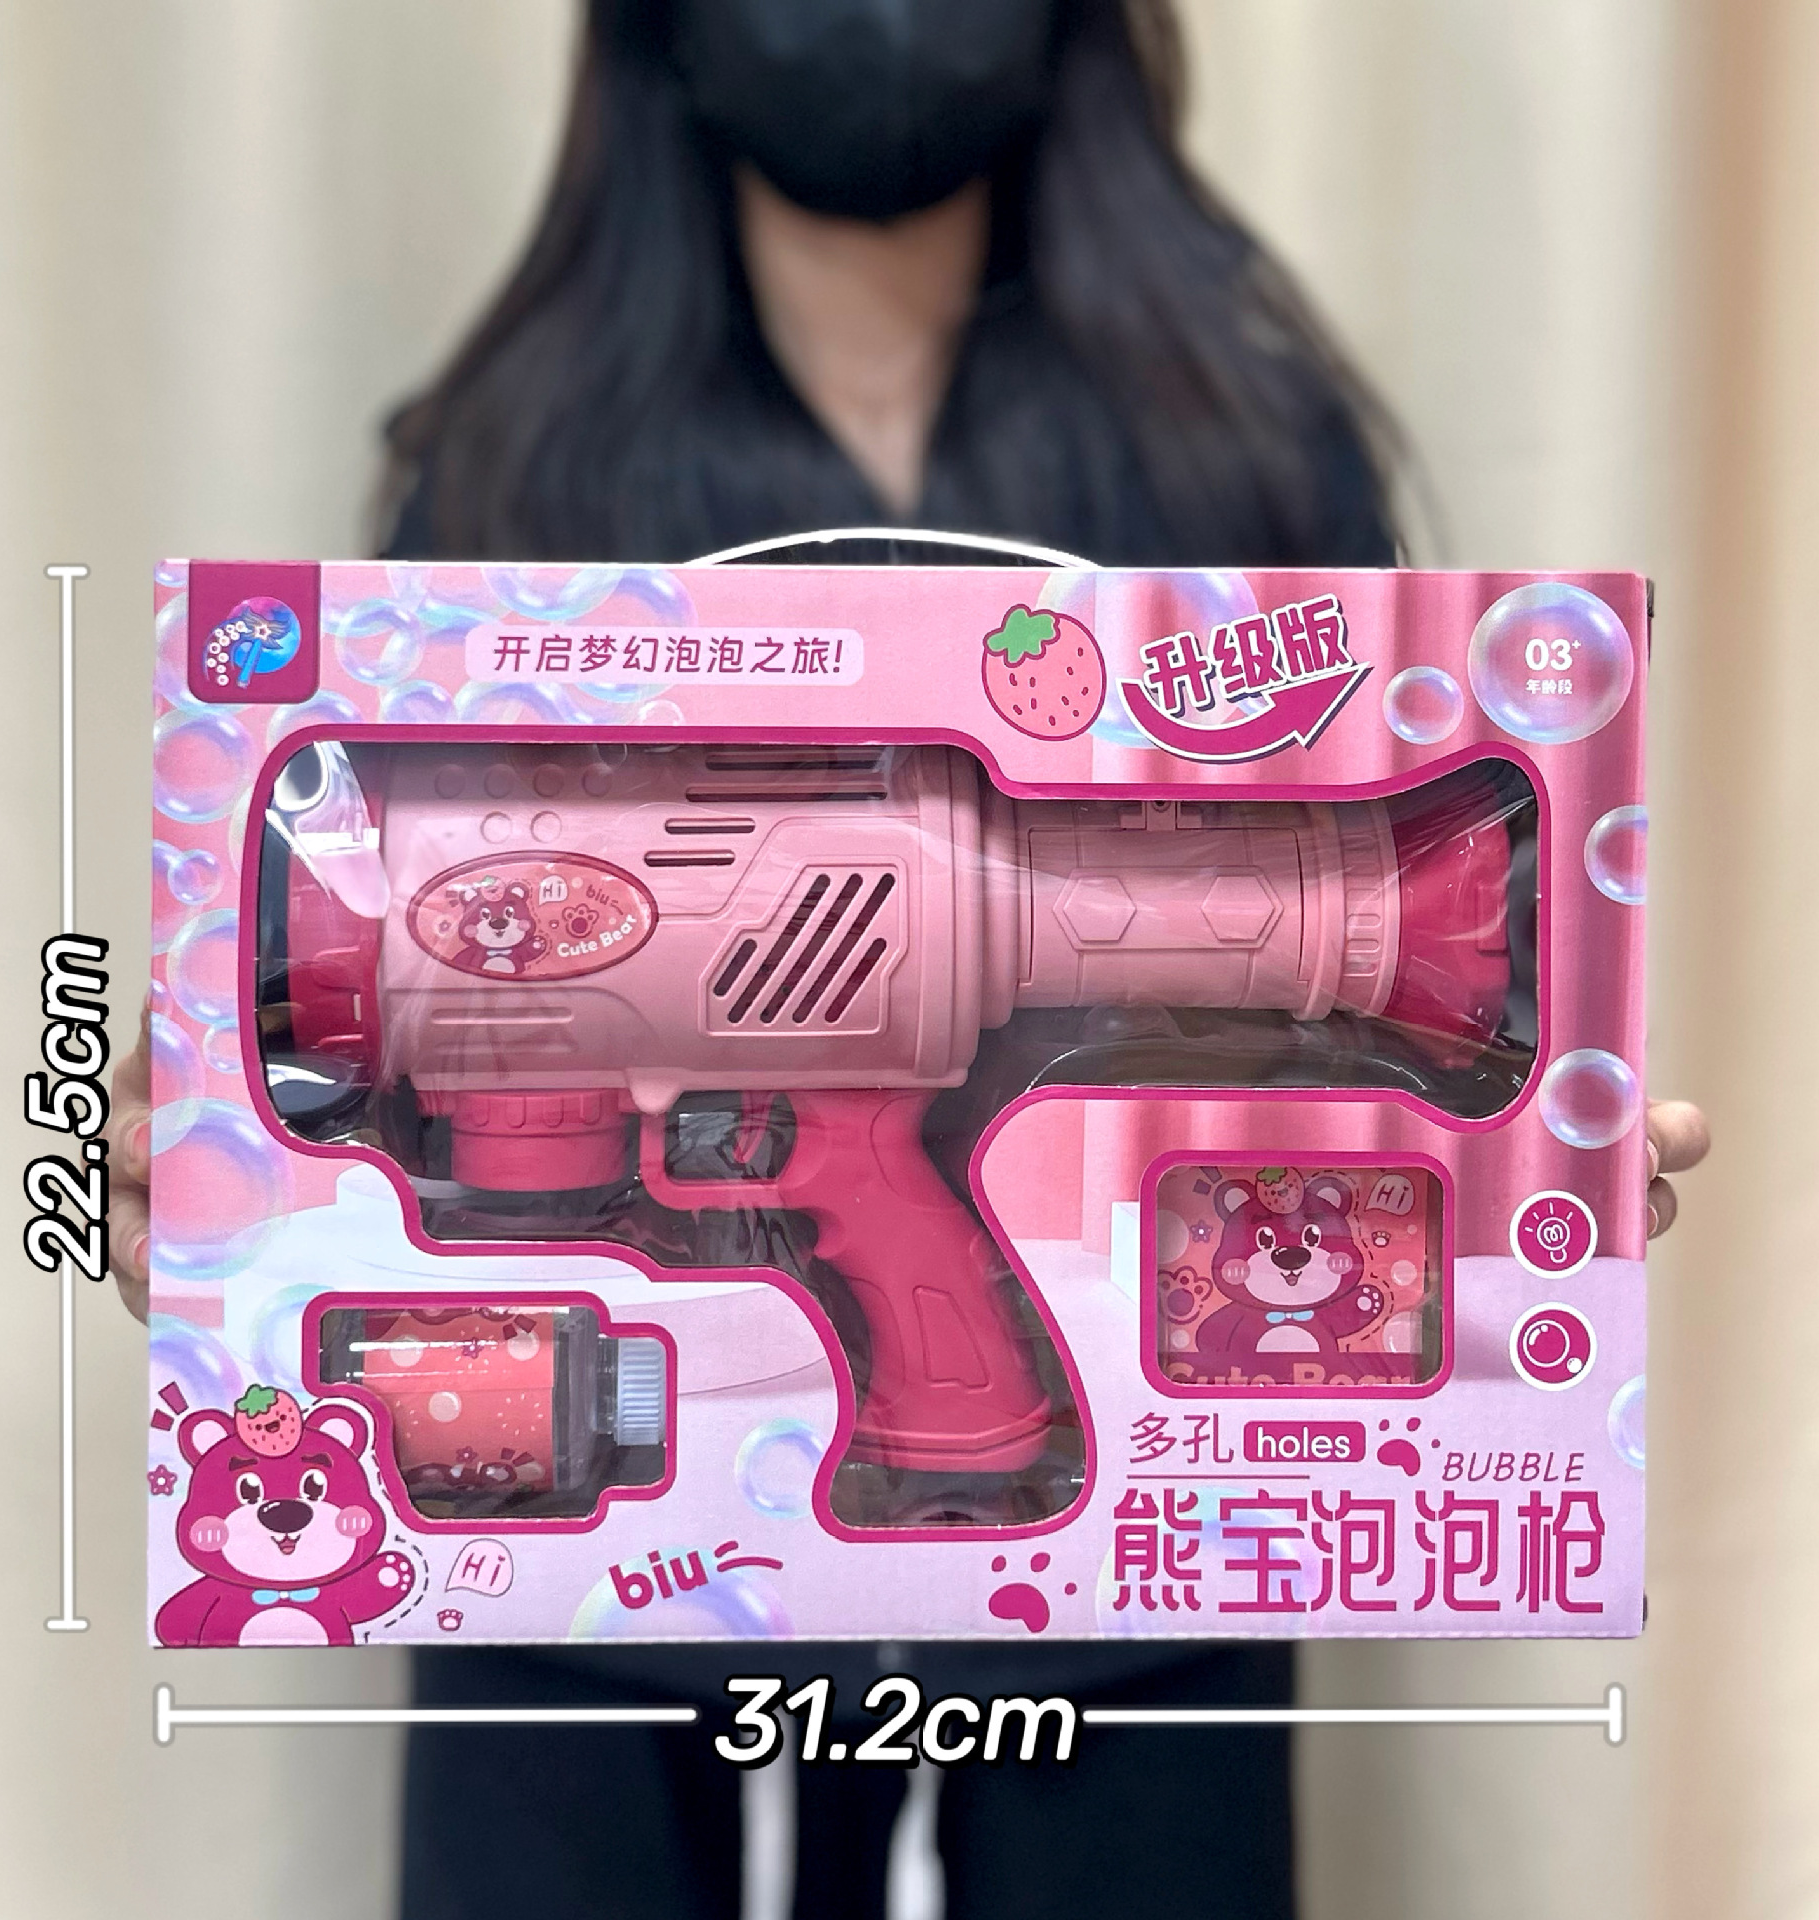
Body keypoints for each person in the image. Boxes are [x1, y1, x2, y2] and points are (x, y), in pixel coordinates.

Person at [110, 4, 1712, 1915]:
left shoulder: (1250, 455)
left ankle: (973, 1437)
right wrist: (222, 1179)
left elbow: (1438, 1026)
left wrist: (1523, 1181)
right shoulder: (499, 474)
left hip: (1123, 1656)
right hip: (585, 1657)